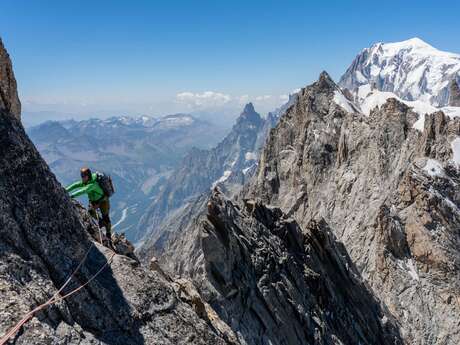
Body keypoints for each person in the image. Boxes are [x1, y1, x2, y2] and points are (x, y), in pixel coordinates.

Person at [66, 167, 112, 245]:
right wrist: (65, 190)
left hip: (103, 201)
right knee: (90, 212)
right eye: (82, 176)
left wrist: (71, 196)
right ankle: (101, 222)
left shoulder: (92, 184)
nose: (83, 178)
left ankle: (108, 234)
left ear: (88, 176)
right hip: (94, 201)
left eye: (84, 176)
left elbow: (83, 190)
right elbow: (75, 185)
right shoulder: (86, 182)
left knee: (106, 217)